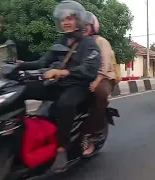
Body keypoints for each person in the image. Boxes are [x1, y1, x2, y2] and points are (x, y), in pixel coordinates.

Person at [17, 0, 101, 172]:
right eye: (63, 19)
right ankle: (16, 133)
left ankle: (62, 149)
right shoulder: (61, 42)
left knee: (65, 104)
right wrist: (21, 65)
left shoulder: (88, 43)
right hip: (57, 84)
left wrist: (62, 73)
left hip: (77, 86)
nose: (66, 22)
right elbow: (43, 62)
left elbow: (90, 69)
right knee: (22, 89)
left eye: (70, 18)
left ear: (78, 20)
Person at [81, 11, 116, 156]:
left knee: (99, 94)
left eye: (86, 25)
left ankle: (92, 135)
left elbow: (105, 64)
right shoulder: (76, 42)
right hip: (84, 78)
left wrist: (97, 80)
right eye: (80, 25)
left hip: (104, 77)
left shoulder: (100, 41)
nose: (83, 27)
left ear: (93, 26)